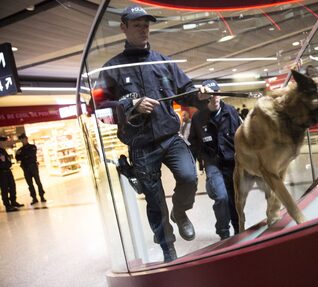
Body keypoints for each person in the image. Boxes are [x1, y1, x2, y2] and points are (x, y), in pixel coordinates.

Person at [96, 4, 211, 262]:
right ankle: (168, 250)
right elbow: (97, 109)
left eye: (146, 24)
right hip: (140, 145)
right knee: (154, 200)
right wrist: (129, 105)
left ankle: (180, 213)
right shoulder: (110, 69)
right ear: (124, 28)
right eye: (137, 25)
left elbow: (187, 90)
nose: (143, 29)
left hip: (170, 138)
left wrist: (201, 95)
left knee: (189, 177)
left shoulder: (164, 62)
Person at [188, 80, 241, 239]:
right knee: (221, 196)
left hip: (233, 162)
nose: (215, 97)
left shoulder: (230, 111)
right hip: (212, 163)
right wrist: (195, 164)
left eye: (217, 93)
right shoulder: (198, 118)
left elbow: (240, 135)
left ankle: (239, 229)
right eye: (211, 95)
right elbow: (194, 142)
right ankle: (223, 231)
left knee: (234, 197)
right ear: (205, 97)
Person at [15, 133, 46, 205]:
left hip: (33, 167)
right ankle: (34, 198)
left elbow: (31, 155)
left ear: (26, 139)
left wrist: (23, 156)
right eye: (21, 139)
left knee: (38, 182)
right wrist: (24, 156)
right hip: (25, 168)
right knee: (30, 184)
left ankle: (42, 196)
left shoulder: (32, 147)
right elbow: (17, 158)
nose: (23, 140)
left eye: (24, 139)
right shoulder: (19, 150)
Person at [0, 136, 24, 212]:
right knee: (4, 189)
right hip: (2, 173)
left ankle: (13, 202)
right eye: (2, 141)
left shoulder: (3, 150)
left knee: (12, 186)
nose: (4, 143)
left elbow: (7, 160)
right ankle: (7, 205)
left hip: (8, 171)